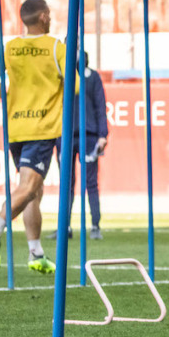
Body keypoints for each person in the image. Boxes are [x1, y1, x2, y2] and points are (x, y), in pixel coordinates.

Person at [0, 0, 71, 275]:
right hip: (41, 128)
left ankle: (35, 252)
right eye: (49, 14)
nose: (50, 18)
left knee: (33, 190)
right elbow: (75, 86)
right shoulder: (55, 47)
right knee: (30, 187)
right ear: (43, 17)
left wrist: (8, 97)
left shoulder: (10, 47)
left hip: (16, 128)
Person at [70, 52, 109, 240]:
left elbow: (100, 106)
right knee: (67, 184)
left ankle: (95, 225)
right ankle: (65, 227)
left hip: (89, 136)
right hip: (66, 136)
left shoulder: (92, 77)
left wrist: (103, 135)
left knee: (91, 183)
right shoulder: (62, 75)